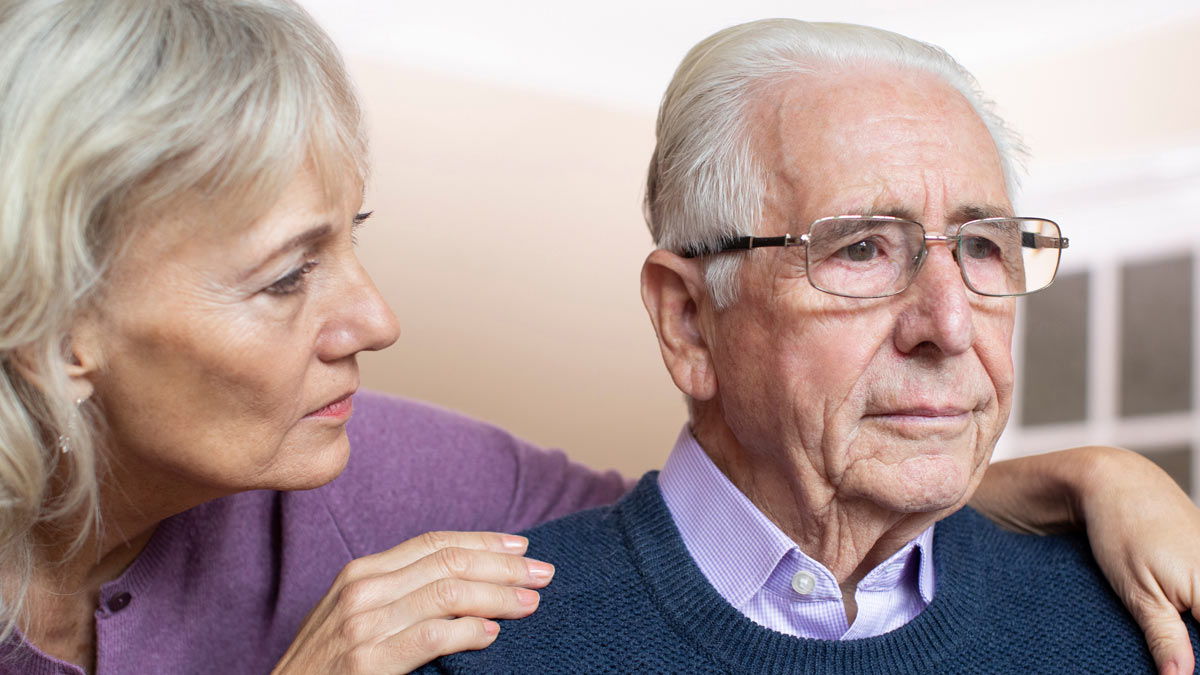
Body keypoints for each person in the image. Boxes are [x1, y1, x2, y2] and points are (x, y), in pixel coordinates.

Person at [0, 3, 1195, 674]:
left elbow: (725, 523)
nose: (378, 320)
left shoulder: (404, 474)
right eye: (858, 249)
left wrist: (1095, 476)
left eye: (983, 246)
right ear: (57, 336)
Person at [426, 19, 1200, 675]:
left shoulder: (1148, 627)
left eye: (984, 247)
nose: (951, 324)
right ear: (689, 321)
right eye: (862, 249)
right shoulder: (476, 650)